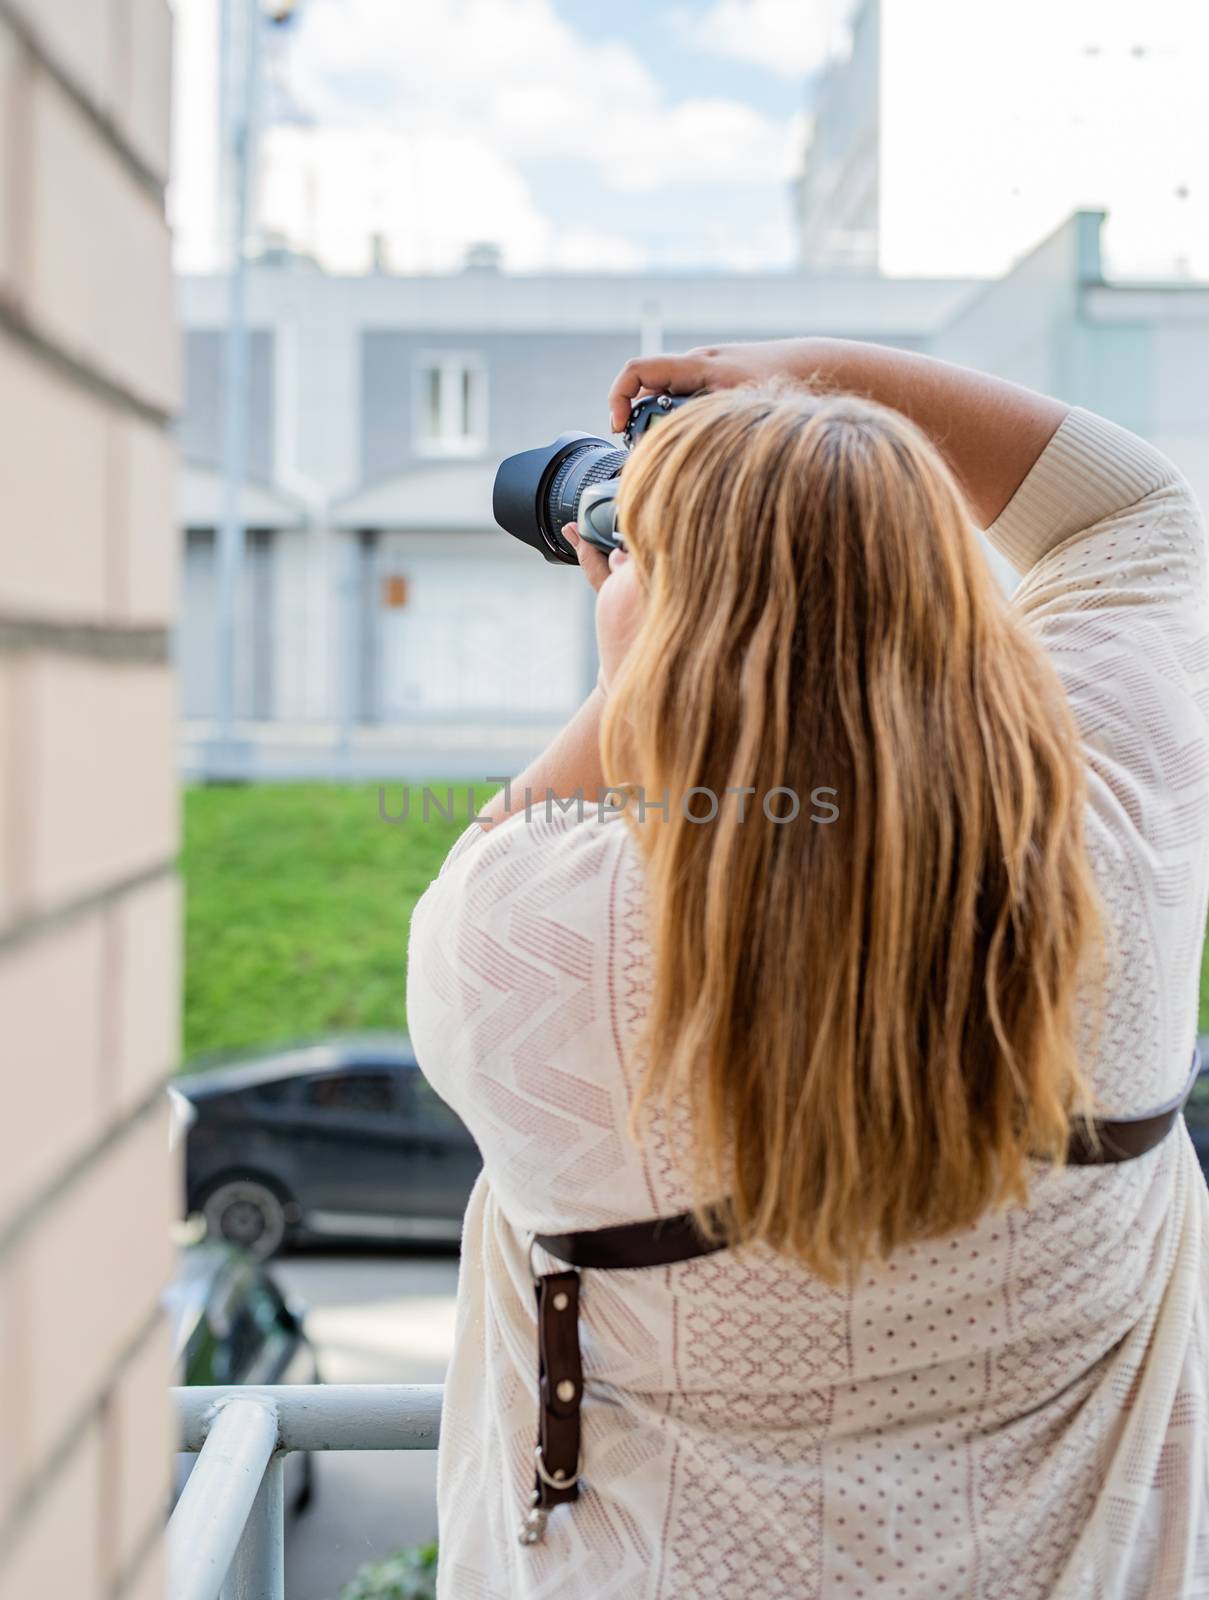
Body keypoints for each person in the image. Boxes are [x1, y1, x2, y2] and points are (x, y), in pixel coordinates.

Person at [405, 339, 1209, 1599]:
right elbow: (1132, 509)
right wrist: (794, 385)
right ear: (951, 588)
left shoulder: (521, 943)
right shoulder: (1115, 818)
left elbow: (499, 846)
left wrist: (655, 654)